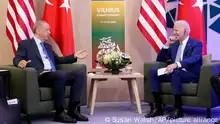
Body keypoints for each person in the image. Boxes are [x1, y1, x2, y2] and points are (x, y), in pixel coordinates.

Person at [13, 20, 88, 123]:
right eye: (47, 30)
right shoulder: (25, 44)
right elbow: (17, 58)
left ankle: (72, 110)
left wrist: (74, 56)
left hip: (54, 75)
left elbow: (58, 60)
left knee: (79, 74)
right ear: (38, 30)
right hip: (40, 76)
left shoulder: (48, 46)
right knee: (59, 74)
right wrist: (20, 62)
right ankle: (59, 113)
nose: (49, 32)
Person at [145, 20, 203, 119]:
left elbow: (194, 58)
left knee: (176, 72)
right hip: (173, 73)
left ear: (185, 30)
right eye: (174, 30)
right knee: (153, 71)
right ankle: (158, 107)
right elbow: (160, 60)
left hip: (189, 74)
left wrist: (176, 64)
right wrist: (167, 44)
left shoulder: (196, 43)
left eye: (176, 30)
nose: (174, 32)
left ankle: (178, 109)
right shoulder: (174, 45)